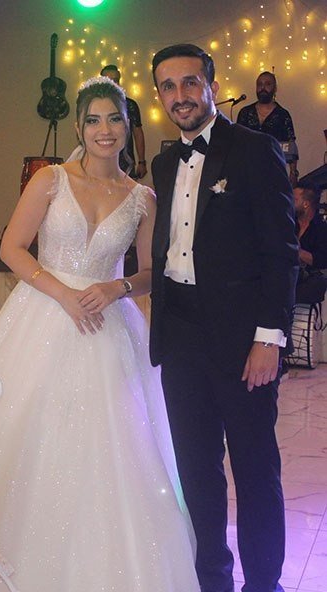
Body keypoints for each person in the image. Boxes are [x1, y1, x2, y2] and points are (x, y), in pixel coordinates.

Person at [0, 77, 200, 591]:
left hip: (108, 325)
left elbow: (152, 272)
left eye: (114, 119)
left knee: (113, 446)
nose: (105, 130)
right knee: (26, 430)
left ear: (128, 126)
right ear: (79, 127)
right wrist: (61, 293)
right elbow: (12, 247)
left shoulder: (143, 198)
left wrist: (116, 287)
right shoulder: (50, 180)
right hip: (42, 315)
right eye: (93, 120)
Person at [150, 44, 298, 592]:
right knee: (197, 471)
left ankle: (264, 583)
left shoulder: (255, 150)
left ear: (211, 86)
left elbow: (281, 252)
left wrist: (269, 338)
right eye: (168, 86)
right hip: (181, 338)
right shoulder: (163, 164)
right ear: (159, 96)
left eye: (191, 82)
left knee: (256, 470)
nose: (181, 95)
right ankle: (212, 580)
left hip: (243, 342)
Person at [237, 71, 299, 185]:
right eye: (259, 84)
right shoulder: (245, 112)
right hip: (247, 172)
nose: (263, 88)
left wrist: (293, 172)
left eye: (267, 84)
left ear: (275, 88)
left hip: (274, 172)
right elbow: (237, 142)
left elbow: (291, 144)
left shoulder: (282, 115)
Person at [100, 64, 148, 179]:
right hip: (100, 162)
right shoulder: (94, 106)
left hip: (125, 163)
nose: (113, 84)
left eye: (116, 80)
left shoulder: (129, 105)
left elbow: (138, 133)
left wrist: (142, 161)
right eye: (109, 81)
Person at [293, 180, 327, 304]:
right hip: (286, 274)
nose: (290, 202)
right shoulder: (289, 224)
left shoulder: (321, 228)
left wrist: (297, 251)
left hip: (308, 279)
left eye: (294, 200)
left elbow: (322, 260)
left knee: (318, 283)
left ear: (306, 204)